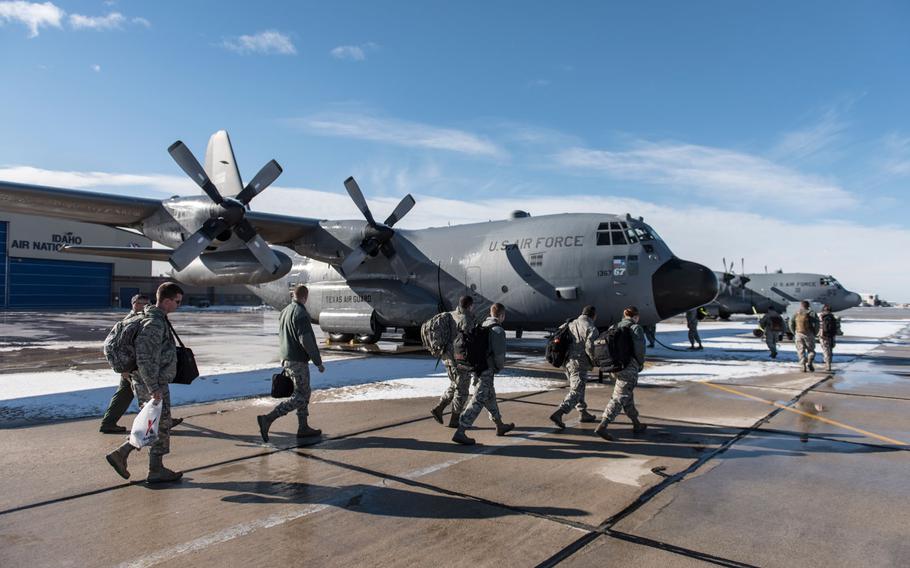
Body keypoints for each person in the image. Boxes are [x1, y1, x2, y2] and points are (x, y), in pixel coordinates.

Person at [105, 282, 185, 483]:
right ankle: (150, 467)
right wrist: (153, 388)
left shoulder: (151, 318)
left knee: (156, 423)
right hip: (150, 382)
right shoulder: (154, 323)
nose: (178, 305)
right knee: (159, 424)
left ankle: (127, 456)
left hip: (149, 381)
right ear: (166, 301)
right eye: (177, 301)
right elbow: (145, 358)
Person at [257, 285, 326, 443]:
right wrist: (318, 362)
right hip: (298, 361)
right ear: (305, 297)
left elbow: (282, 336)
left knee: (302, 392)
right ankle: (268, 419)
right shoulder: (301, 314)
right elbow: (306, 340)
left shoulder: (285, 311)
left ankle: (303, 427)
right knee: (302, 396)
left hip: (287, 358)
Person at [452, 303, 514, 445]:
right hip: (487, 369)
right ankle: (461, 431)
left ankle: (499, 425)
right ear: (502, 315)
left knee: (489, 396)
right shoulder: (497, 330)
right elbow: (499, 354)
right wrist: (499, 367)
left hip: (478, 367)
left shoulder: (483, 325)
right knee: (479, 399)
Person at [594, 306, 648, 441]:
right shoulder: (635, 328)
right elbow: (640, 350)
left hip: (615, 367)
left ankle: (636, 423)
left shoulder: (615, 326)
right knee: (620, 397)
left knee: (626, 395)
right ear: (636, 316)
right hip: (628, 367)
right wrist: (640, 363)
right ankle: (603, 425)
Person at [429, 296, 477, 428]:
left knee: (455, 385)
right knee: (462, 390)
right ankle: (455, 419)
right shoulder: (466, 319)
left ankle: (439, 409)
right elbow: (469, 343)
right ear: (470, 306)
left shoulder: (451, 314)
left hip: (447, 358)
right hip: (459, 360)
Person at [549, 305, 599, 429]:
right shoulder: (591, 327)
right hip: (579, 362)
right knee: (576, 390)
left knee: (577, 387)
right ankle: (559, 413)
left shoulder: (569, 323)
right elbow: (590, 346)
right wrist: (594, 361)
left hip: (566, 362)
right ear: (594, 316)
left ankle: (583, 412)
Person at [789, 300, 820, 372]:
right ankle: (810, 362)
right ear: (808, 306)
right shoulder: (812, 313)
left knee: (800, 350)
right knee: (811, 350)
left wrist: (794, 332)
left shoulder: (796, 313)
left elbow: (790, 323)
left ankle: (803, 366)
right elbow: (817, 324)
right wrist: (815, 333)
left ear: (801, 305)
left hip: (799, 334)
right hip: (809, 334)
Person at [818, 304, 839, 372]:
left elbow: (818, 327)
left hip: (823, 336)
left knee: (826, 350)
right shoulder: (833, 317)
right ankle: (828, 363)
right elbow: (837, 328)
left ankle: (827, 364)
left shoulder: (821, 317)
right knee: (830, 350)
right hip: (831, 336)